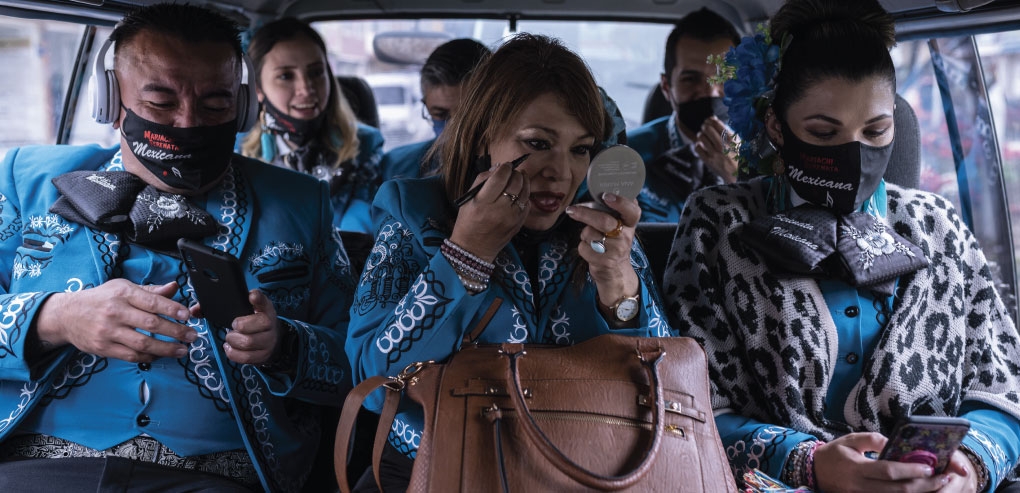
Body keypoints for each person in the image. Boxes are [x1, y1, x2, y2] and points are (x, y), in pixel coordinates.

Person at [662, 0, 1020, 491]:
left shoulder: (937, 225)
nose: (853, 151)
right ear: (775, 126)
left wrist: (969, 467)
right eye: (823, 133)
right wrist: (810, 462)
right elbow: (693, 407)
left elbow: (1003, 389)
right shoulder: (718, 225)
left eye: (875, 131)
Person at [0, 4, 354, 492]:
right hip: (37, 467)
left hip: (217, 475)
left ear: (246, 108)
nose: (187, 122)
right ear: (110, 101)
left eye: (214, 106)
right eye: (161, 103)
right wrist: (57, 318)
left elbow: (358, 359)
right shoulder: (27, 180)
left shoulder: (300, 203)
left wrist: (284, 346)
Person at [345, 33, 673, 492]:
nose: (561, 171)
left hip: (585, 469)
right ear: (484, 135)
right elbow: (376, 384)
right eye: (538, 143)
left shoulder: (606, 232)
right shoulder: (413, 216)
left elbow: (664, 386)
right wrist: (465, 255)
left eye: (580, 149)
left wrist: (619, 288)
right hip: (435, 469)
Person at [240, 17, 385, 235]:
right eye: (286, 76)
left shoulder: (365, 143)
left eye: (316, 72)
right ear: (258, 88)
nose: (306, 89)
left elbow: (362, 225)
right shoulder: (236, 153)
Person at [629, 7, 741, 223]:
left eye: (724, 78)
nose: (711, 92)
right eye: (691, 79)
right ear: (666, 87)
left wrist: (738, 180)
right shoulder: (629, 154)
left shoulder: (766, 156)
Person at [378, 38, 491, 183]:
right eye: (440, 114)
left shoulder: (516, 166)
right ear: (426, 106)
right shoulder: (397, 170)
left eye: (468, 115)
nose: (453, 130)